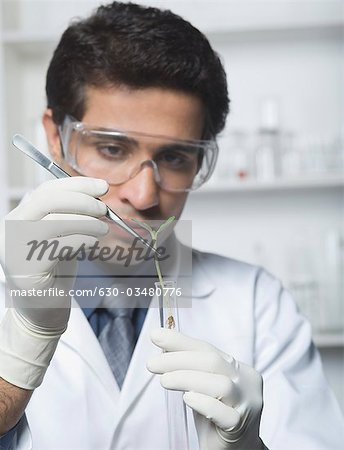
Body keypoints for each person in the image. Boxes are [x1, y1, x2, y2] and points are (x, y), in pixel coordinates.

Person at [0, 2, 343, 449]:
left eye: (174, 158)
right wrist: (20, 354)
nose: (144, 195)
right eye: (111, 149)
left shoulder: (258, 303)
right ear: (54, 136)